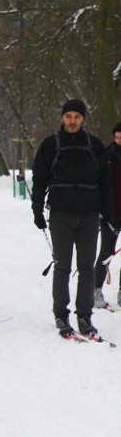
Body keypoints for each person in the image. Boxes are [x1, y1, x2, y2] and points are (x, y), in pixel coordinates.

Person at [32, 99, 112, 338]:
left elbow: (105, 183)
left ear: (83, 119)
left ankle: (85, 316)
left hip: (89, 216)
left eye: (77, 117)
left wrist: (108, 213)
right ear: (62, 118)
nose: (73, 121)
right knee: (62, 267)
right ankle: (61, 313)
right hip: (61, 215)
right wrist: (37, 210)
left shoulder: (94, 145)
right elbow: (39, 179)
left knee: (87, 268)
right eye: (69, 116)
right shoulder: (50, 145)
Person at [94, 122, 121, 309]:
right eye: (117, 137)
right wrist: (104, 211)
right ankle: (95, 290)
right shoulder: (108, 155)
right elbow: (103, 184)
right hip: (111, 214)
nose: (119, 141)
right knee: (106, 252)